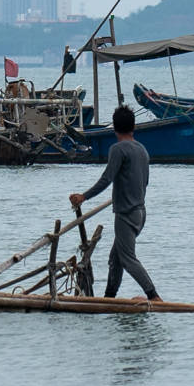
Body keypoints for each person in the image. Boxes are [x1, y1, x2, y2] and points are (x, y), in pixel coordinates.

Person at [70, 104, 158, 301]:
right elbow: (145, 181)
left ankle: (153, 296)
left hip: (126, 214)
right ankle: (109, 298)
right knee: (115, 259)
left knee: (127, 259)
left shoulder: (118, 149)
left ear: (115, 128)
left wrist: (84, 196)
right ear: (133, 127)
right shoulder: (142, 149)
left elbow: (106, 178)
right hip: (140, 212)